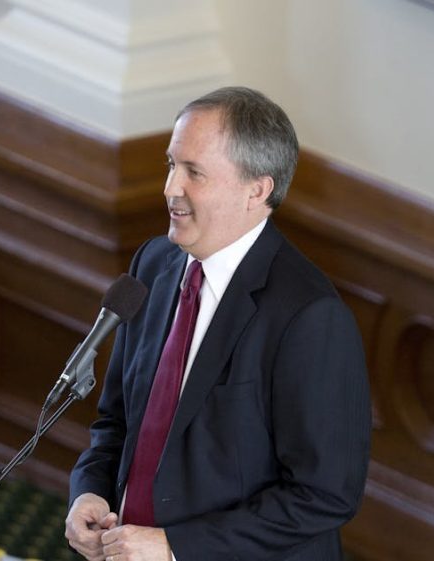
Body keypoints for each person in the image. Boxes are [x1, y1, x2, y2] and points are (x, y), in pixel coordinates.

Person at [65, 86, 371, 561]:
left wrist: (175, 547)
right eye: (172, 165)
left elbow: (324, 493)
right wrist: (90, 490)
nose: (170, 188)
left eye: (194, 172)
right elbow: (118, 420)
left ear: (257, 190)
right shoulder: (153, 264)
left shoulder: (309, 317)